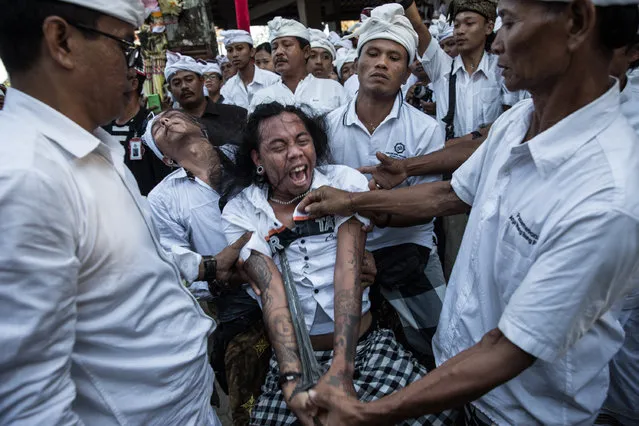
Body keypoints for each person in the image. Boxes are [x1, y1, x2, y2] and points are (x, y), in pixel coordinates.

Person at [300, 1, 639, 424]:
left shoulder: (607, 197)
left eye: (510, 23)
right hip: (459, 383)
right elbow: (447, 195)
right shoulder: (518, 121)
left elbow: (508, 348)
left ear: (577, 23)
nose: (496, 43)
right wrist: (352, 202)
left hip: (517, 415)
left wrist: (369, 414)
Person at [0, 0, 223, 424]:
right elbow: (30, 406)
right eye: (124, 47)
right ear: (61, 41)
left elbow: (127, 266)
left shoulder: (90, 146)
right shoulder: (25, 179)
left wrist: (207, 265)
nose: (131, 69)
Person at [222, 102, 455, 426]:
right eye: (278, 146)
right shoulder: (241, 210)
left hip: (364, 349)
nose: (294, 152)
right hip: (296, 359)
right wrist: (292, 382)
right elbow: (271, 292)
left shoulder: (342, 183)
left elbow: (348, 272)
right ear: (257, 159)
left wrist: (342, 370)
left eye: (302, 141)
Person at [326, 3, 446, 368]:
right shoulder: (326, 127)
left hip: (407, 253)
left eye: (394, 57)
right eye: (373, 53)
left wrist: (356, 203)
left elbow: (425, 210)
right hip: (342, 259)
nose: (381, 63)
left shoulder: (428, 130)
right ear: (357, 61)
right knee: (353, 360)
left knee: (438, 348)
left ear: (409, 71)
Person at [143, 109, 269, 426]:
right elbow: (176, 259)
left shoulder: (247, 157)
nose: (164, 122)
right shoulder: (163, 198)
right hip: (236, 302)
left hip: (293, 276)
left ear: (200, 127)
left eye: (170, 116)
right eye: (156, 128)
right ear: (166, 159)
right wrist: (219, 275)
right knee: (250, 402)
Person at [102, 50, 172, 195]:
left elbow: (163, 180)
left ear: (133, 83)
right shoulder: (103, 126)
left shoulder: (153, 127)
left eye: (116, 78)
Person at [249, 17, 348, 116]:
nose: (278, 52)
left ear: (306, 52)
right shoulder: (262, 97)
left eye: (287, 45)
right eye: (274, 47)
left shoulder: (334, 90)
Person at [165, 51, 247, 146]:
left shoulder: (236, 115)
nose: (184, 86)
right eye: (177, 83)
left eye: (189, 80)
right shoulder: (169, 127)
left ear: (201, 81)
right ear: (170, 89)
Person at [220, 30, 280, 110]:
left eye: (239, 48)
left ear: (252, 52)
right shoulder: (227, 88)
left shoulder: (273, 80)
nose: (234, 54)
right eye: (230, 50)